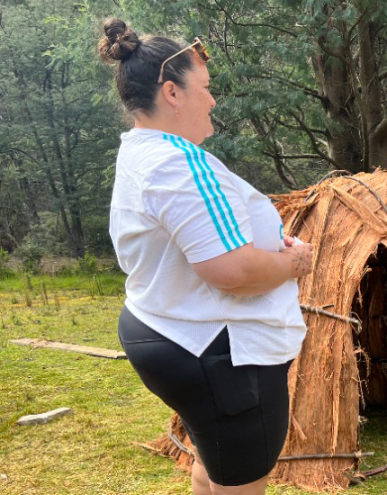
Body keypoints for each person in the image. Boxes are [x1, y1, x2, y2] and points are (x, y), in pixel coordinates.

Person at [99, 19, 314, 495]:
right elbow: (231, 271)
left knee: (216, 463)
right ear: (173, 93)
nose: (213, 99)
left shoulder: (143, 152)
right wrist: (297, 263)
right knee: (242, 478)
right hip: (220, 355)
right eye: (206, 87)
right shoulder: (180, 164)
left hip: (170, 331)